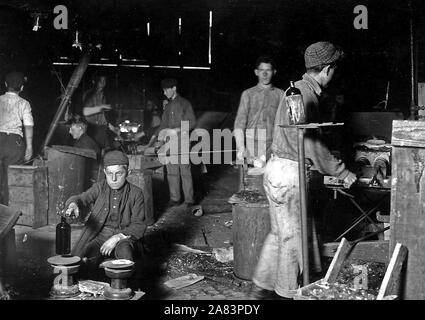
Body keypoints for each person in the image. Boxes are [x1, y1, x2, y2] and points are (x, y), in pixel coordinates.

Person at [251, 42, 357, 300]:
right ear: (328, 69)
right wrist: (343, 172)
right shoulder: (305, 96)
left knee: (279, 235)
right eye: (335, 70)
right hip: (289, 173)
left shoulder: (294, 89)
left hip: (275, 169)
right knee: (291, 242)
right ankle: (287, 295)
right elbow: (310, 145)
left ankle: (259, 288)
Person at [64, 150, 146, 269]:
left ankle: (129, 284)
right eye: (109, 173)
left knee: (125, 256)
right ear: (104, 172)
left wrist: (117, 237)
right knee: (81, 259)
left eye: (119, 173)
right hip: (100, 235)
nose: (113, 179)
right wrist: (73, 204)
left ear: (128, 172)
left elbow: (139, 226)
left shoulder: (136, 193)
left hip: (124, 237)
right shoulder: (99, 187)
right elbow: (83, 198)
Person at [146, 78, 197, 212]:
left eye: (166, 90)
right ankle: (175, 198)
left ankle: (189, 200)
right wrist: (153, 138)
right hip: (170, 143)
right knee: (171, 171)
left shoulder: (185, 103)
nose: (164, 93)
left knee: (185, 171)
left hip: (183, 142)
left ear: (174, 88)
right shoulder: (168, 106)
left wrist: (176, 130)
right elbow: (163, 125)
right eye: (163, 90)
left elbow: (192, 122)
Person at [234, 56, 284, 167]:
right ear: (256, 72)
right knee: (252, 181)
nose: (265, 74)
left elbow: (286, 125)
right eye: (262, 70)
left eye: (268, 70)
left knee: (275, 181)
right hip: (253, 146)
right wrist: (241, 147)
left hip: (275, 147)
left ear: (274, 72)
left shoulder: (281, 95)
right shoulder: (248, 94)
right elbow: (239, 124)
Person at [0, 71, 34, 205]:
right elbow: (29, 125)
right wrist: (29, 147)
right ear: (22, 88)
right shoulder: (24, 103)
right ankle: (8, 213)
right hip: (15, 144)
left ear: (5, 84)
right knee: (12, 180)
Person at [82, 74, 118, 150]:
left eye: (104, 81)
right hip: (92, 129)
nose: (103, 83)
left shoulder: (103, 95)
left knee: (104, 152)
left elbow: (102, 115)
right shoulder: (89, 95)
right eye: (100, 81)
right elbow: (86, 112)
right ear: (94, 82)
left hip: (103, 129)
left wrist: (110, 126)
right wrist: (101, 107)